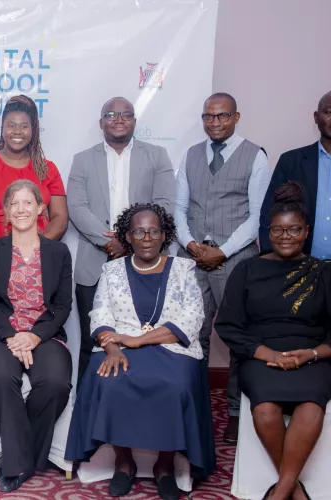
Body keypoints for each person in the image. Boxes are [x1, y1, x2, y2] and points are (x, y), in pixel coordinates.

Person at [65, 203, 214, 500]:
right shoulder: (111, 270)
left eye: (153, 231)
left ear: (164, 235)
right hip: (119, 345)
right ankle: (124, 461)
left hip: (173, 349)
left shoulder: (184, 269)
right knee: (110, 381)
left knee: (176, 386)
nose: (146, 237)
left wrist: (136, 342)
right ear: (128, 236)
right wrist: (112, 347)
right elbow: (99, 315)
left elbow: (193, 318)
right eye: (139, 231)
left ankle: (165, 465)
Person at [216, 182, 331, 500]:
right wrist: (268, 354)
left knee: (311, 406)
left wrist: (311, 354)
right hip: (261, 355)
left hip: (313, 357)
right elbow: (228, 324)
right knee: (265, 410)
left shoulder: (322, 272)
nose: (285, 236)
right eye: (278, 230)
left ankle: (280, 491)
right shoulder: (247, 269)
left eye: (293, 229)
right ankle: (295, 491)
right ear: (267, 231)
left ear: (306, 231)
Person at [173, 92, 271, 444]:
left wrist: (223, 251)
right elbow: (179, 208)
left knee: (235, 337)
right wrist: (191, 245)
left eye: (222, 116)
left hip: (236, 260)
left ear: (236, 117)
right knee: (191, 334)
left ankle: (233, 412)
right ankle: (194, 405)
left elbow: (258, 216)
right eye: (209, 117)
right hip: (193, 259)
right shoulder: (190, 155)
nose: (215, 122)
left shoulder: (255, 156)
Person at [0, 180, 73, 492]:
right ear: (4, 211)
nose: (21, 209)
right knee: (2, 377)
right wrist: (14, 336)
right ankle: (19, 465)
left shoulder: (58, 252)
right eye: (14, 204)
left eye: (28, 203)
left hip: (44, 333)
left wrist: (34, 337)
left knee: (55, 383)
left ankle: (19, 453)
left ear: (41, 209)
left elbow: (62, 305)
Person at [68, 96, 175, 388]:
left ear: (135, 122)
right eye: (111, 114)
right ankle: (86, 407)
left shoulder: (157, 156)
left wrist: (128, 244)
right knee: (94, 341)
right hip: (94, 263)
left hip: (145, 261)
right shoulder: (83, 159)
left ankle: (136, 402)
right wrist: (109, 243)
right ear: (101, 121)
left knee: (142, 334)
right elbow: (77, 208)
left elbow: (164, 205)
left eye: (125, 114)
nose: (118, 119)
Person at [0, 95, 67, 317]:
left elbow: (60, 219)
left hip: (39, 257)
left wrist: (33, 250)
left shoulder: (48, 169)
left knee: (37, 321)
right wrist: (0, 252)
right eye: (10, 125)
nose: (17, 131)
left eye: (24, 126)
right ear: (2, 129)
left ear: (33, 131)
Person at [258, 90, 331, 256]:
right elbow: (269, 212)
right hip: (299, 267)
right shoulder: (291, 161)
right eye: (329, 112)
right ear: (316, 117)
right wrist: (270, 257)